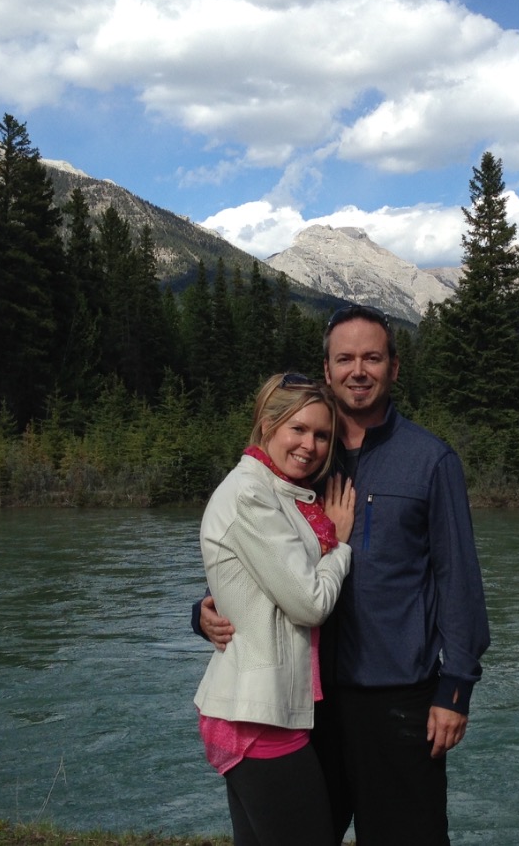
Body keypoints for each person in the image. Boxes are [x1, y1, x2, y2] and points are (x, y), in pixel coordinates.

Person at [193, 305, 491, 846]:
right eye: (345, 358)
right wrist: (203, 609)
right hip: (307, 704)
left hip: (397, 700)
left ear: (393, 368)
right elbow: (255, 555)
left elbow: (460, 583)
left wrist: (456, 688)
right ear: (327, 370)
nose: (358, 370)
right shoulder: (305, 458)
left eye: (372, 358)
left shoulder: (430, 461)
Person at [193, 372, 356, 846]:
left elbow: (256, 582)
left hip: (265, 708)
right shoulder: (250, 493)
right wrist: (339, 545)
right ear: (267, 424)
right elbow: (310, 604)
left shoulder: (279, 490)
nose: (310, 445)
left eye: (321, 434)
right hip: (257, 716)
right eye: (297, 429)